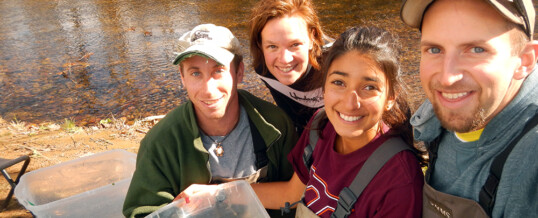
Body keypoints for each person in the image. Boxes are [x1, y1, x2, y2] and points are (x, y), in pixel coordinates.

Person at [122, 23, 298, 218]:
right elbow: (140, 213)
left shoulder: (275, 125)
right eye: (195, 73)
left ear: (239, 72)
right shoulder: (160, 142)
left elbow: (298, 198)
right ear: (182, 77)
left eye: (218, 71)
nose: (208, 89)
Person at [251, 26, 424, 217]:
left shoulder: (400, 181)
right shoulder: (319, 127)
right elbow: (292, 193)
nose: (351, 104)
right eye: (339, 83)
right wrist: (225, 192)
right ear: (323, 87)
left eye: (369, 87)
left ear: (390, 98)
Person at [400, 0, 538, 217]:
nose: (447, 78)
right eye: (434, 49)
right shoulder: (441, 113)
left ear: (524, 60)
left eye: (476, 49)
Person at [249, 0, 329, 135]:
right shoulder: (264, 69)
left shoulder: (335, 63)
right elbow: (289, 115)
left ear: (312, 38)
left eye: (295, 44)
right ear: (260, 45)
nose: (285, 60)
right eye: (272, 46)